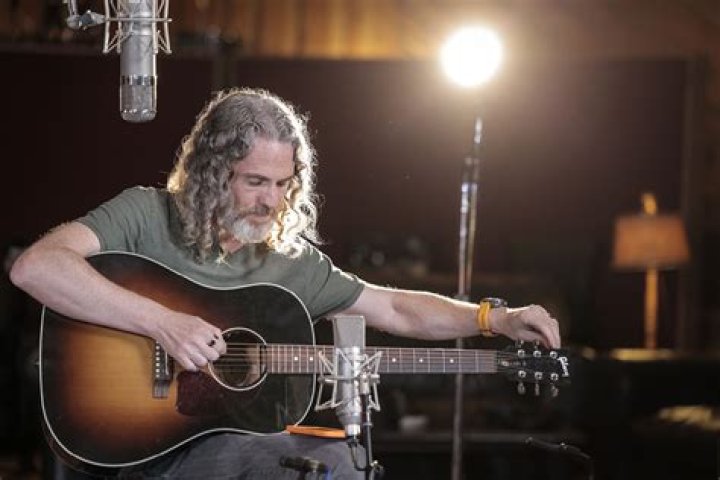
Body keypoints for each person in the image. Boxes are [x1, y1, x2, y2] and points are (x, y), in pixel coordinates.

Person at [10, 87, 561, 479]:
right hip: (133, 449)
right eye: (255, 181)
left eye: (281, 184)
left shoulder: (289, 262)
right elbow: (36, 267)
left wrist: (496, 320)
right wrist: (163, 322)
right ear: (211, 172)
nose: (270, 201)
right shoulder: (145, 214)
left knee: (339, 463)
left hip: (227, 451)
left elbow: (394, 309)